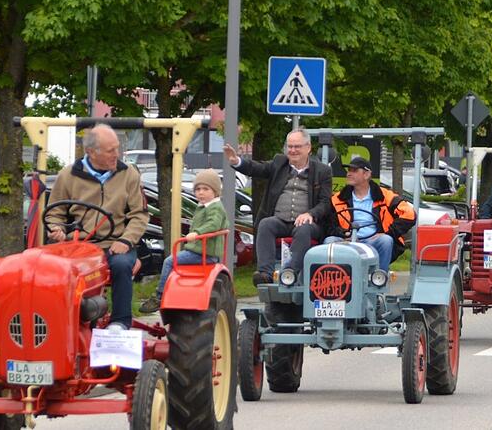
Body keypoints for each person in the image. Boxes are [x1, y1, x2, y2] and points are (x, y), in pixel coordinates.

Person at [46, 124, 148, 329]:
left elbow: (139, 215)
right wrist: (56, 229)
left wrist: (125, 240)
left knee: (120, 265)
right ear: (91, 152)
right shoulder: (68, 175)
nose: (116, 155)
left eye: (117, 148)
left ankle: (119, 323)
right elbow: (54, 213)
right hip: (78, 244)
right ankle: (56, 322)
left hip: (115, 243)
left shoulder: (129, 175)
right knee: (52, 270)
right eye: (111, 150)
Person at [224, 128, 332, 285]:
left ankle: (290, 272)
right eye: (290, 146)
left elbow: (325, 202)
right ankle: (265, 273)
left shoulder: (322, 171)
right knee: (266, 224)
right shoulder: (279, 163)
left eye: (297, 147)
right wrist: (236, 161)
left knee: (304, 229)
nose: (292, 150)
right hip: (280, 220)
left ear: (308, 148)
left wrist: (310, 214)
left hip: (308, 223)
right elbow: (257, 168)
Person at [139, 169, 228, 314]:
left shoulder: (215, 208)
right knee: (174, 260)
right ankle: (172, 296)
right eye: (198, 189)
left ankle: (159, 296)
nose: (201, 192)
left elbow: (214, 224)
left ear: (216, 191)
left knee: (169, 261)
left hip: (205, 253)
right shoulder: (203, 207)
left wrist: (197, 233)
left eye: (205, 189)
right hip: (198, 250)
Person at [323, 157, 416, 271]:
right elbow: (328, 225)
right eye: (349, 170)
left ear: (366, 174)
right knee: (329, 241)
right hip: (346, 241)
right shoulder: (337, 199)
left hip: (373, 241)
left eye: (354, 170)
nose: (349, 174)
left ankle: (378, 279)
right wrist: (343, 234)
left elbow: (410, 214)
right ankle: (333, 282)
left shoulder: (385, 196)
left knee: (386, 240)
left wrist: (388, 232)